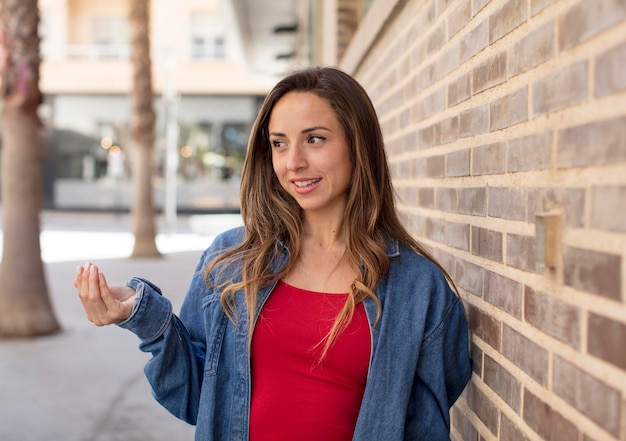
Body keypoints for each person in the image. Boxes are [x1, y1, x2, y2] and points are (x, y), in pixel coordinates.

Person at [74, 66, 472, 441]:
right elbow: (197, 396)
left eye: (315, 138)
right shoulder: (231, 260)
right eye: (279, 144)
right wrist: (143, 317)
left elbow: (423, 428)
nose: (293, 162)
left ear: (358, 144)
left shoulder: (419, 289)